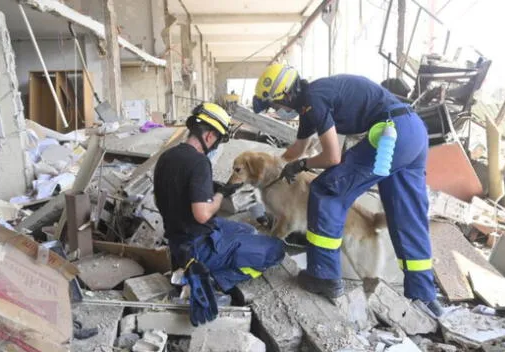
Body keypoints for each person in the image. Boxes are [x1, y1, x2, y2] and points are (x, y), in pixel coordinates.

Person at [252, 64, 443, 316]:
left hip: (388, 134)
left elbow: (332, 157)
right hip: (413, 131)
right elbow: (299, 147)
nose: (278, 111)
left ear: (287, 95)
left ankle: (324, 276)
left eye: (275, 106)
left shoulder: (313, 99)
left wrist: (301, 166)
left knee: (325, 190)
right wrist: (278, 165)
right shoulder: (313, 99)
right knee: (405, 211)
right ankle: (424, 296)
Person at [154, 102, 285, 325]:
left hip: (178, 241)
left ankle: (211, 262)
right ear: (209, 136)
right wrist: (219, 196)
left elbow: (162, 199)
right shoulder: (199, 163)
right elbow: (203, 214)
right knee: (276, 250)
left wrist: (211, 190)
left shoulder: (166, 157)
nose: (216, 146)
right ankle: (216, 279)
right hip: (198, 247)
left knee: (248, 229)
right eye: (219, 140)